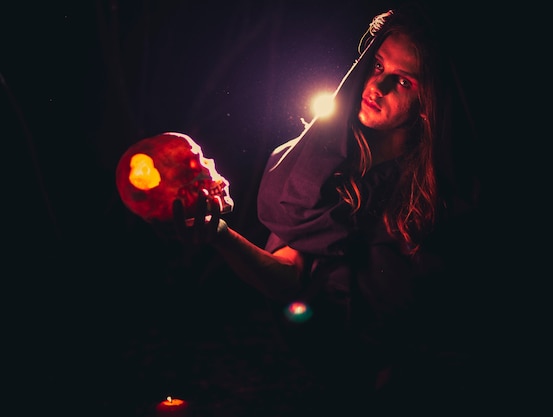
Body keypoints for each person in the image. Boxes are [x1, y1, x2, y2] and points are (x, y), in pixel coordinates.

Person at [170, 3, 482, 415]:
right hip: (347, 381)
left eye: (403, 81)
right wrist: (221, 237)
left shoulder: (446, 183)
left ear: (430, 99)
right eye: (376, 66)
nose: (378, 86)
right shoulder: (320, 170)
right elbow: (290, 277)